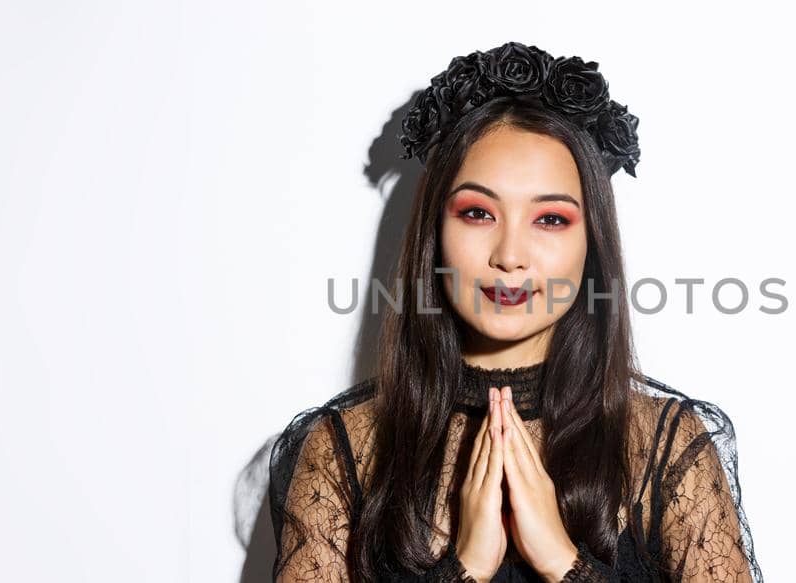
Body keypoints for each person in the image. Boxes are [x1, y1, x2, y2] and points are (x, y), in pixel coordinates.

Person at [268, 41, 761, 582]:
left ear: (591, 245)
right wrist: (464, 570)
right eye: (478, 213)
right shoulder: (344, 451)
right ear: (436, 234)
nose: (508, 256)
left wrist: (563, 563)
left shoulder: (667, 450)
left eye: (549, 220)